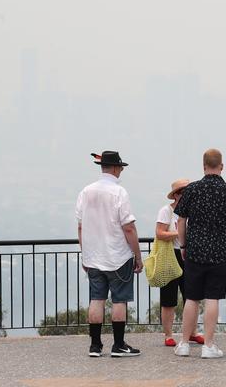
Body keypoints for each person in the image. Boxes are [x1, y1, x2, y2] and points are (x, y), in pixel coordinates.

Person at [173, 149, 226, 358]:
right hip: (221, 252)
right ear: (221, 166)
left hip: (195, 251)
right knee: (213, 297)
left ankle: (184, 344)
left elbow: (181, 220)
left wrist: (184, 246)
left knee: (192, 298)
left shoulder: (192, 190)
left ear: (203, 166)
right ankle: (208, 345)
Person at [76, 151, 143, 357]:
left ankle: (95, 346)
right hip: (117, 256)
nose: (121, 171)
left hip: (93, 256)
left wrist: (85, 253)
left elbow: (80, 227)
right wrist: (138, 256)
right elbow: (129, 228)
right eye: (121, 167)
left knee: (96, 299)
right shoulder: (119, 192)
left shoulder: (86, 192)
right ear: (114, 168)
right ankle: (118, 345)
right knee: (119, 300)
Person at [155, 179, 204, 347]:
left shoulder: (193, 210)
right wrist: (179, 233)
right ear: (176, 195)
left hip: (189, 255)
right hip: (170, 254)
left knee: (192, 296)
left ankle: (192, 332)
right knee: (168, 298)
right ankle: (168, 334)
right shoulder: (166, 211)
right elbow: (160, 233)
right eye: (183, 192)